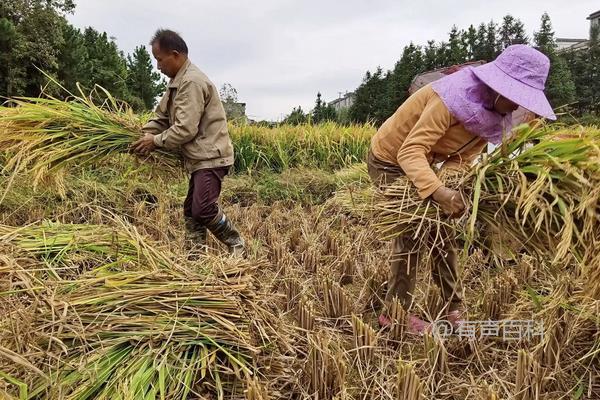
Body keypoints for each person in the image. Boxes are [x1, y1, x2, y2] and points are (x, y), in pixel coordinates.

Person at [367, 45, 556, 333]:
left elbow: (462, 157)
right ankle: (393, 315)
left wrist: (453, 185)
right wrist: (438, 191)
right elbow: (410, 151)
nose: (519, 106)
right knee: (412, 232)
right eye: (516, 97)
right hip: (391, 159)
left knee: (443, 233)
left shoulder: (494, 116)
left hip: (427, 161)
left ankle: (452, 307)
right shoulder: (450, 97)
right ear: (497, 87)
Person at [132, 29, 245, 257]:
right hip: (198, 158)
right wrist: (141, 135)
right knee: (191, 210)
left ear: (175, 55)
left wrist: (154, 141)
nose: (157, 67)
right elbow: (161, 116)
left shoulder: (191, 82)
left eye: (159, 60)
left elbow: (185, 128)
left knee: (203, 209)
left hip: (211, 156)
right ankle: (196, 256)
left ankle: (237, 243)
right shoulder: (177, 82)